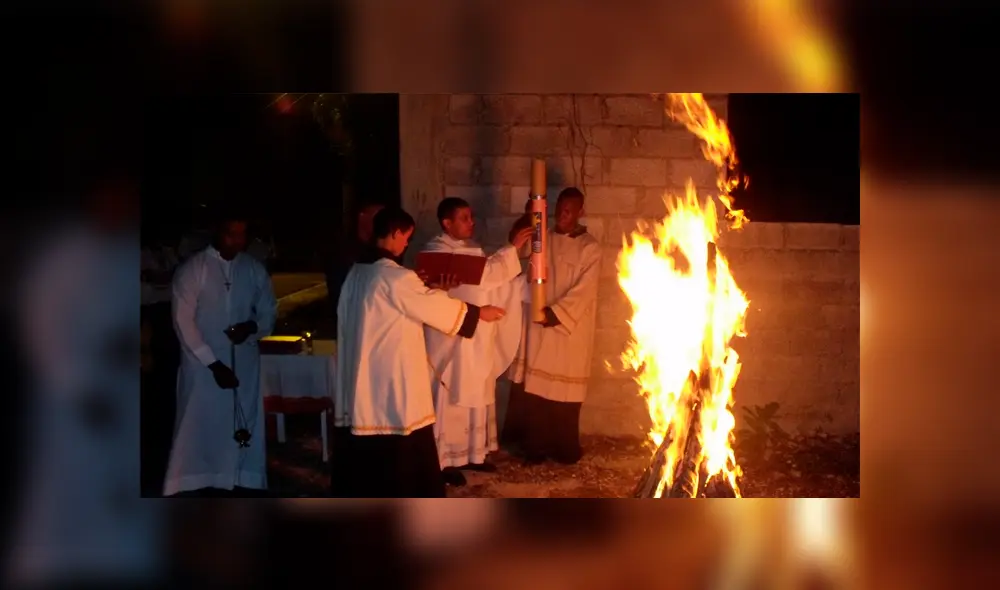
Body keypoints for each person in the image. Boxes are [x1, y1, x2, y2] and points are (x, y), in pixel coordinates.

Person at [333, 206, 507, 498]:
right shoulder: (393, 277)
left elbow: (413, 301)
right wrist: (479, 313)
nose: (406, 245)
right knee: (402, 441)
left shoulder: (357, 273)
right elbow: (429, 306)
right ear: (395, 233)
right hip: (390, 381)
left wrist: (434, 288)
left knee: (366, 449)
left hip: (364, 378)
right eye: (406, 238)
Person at [164, 209, 278, 497]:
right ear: (217, 232)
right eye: (231, 233)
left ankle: (242, 476)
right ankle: (195, 478)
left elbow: (268, 311)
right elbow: (183, 321)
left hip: (244, 363)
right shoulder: (193, 270)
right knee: (201, 422)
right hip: (202, 366)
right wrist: (213, 364)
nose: (237, 241)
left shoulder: (253, 269)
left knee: (242, 422)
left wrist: (252, 327)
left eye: (242, 234)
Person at [422, 197, 533, 486]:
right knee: (450, 398)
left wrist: (518, 277)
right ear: (447, 223)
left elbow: (491, 280)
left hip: (477, 338)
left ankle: (475, 453)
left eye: (471, 217)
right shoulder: (436, 252)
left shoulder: (473, 251)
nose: (472, 222)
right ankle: (444, 460)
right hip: (451, 340)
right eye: (464, 218)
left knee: (479, 392)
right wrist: (511, 249)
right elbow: (482, 278)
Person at [504, 187, 602, 465]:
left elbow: (585, 290)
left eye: (569, 211)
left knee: (565, 395)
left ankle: (564, 449)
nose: (562, 215)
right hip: (539, 324)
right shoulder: (542, 236)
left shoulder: (590, 247)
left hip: (567, 329)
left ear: (581, 212)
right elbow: (518, 248)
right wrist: (529, 216)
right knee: (536, 393)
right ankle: (535, 448)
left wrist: (555, 314)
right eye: (559, 209)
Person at [325, 202, 385, 330]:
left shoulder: (377, 251)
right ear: (362, 217)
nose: (382, 223)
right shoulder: (344, 250)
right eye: (378, 217)